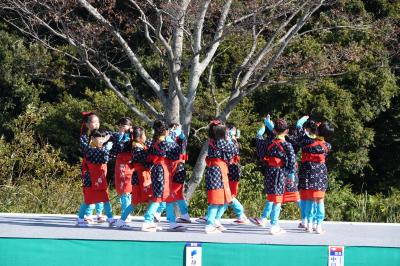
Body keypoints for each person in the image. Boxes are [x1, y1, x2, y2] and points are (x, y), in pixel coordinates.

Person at [255, 116, 296, 235]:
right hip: (280, 172)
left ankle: (266, 220)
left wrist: (260, 133)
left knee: (271, 196)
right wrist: (290, 175)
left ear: (274, 131)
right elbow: (292, 161)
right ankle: (274, 224)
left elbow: (259, 142)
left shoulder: (269, 142)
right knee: (278, 199)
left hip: (270, 171)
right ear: (287, 131)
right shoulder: (287, 145)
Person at [76, 129, 116, 227]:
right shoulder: (90, 150)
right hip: (90, 180)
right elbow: (103, 156)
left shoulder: (101, 149)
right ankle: (80, 218)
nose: (101, 141)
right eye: (99, 139)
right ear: (93, 139)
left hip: (100, 179)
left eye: (102, 140)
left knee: (105, 199)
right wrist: (106, 148)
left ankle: (110, 218)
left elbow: (109, 157)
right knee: (88, 201)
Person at [204, 120, 237, 234]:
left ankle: (215, 221)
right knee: (217, 200)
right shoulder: (221, 142)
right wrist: (231, 139)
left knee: (223, 198)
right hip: (218, 171)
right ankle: (209, 224)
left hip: (216, 170)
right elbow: (234, 150)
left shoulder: (212, 141)